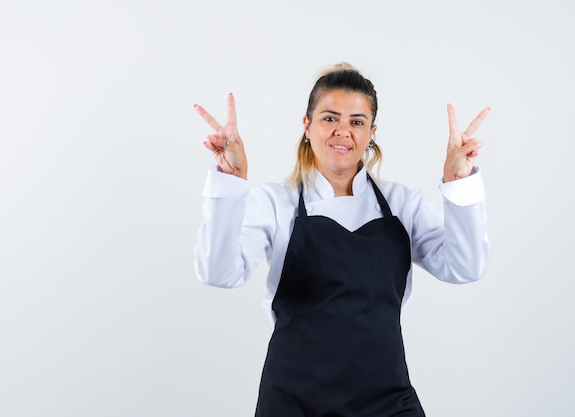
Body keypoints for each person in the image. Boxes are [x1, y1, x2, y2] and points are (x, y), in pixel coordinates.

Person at [193, 62, 491, 417]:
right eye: (330, 118)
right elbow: (218, 272)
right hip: (293, 401)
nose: (343, 132)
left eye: (356, 121)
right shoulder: (275, 202)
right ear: (307, 126)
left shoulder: (401, 204)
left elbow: (465, 267)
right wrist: (231, 181)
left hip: (387, 402)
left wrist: (461, 183)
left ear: (371, 132)